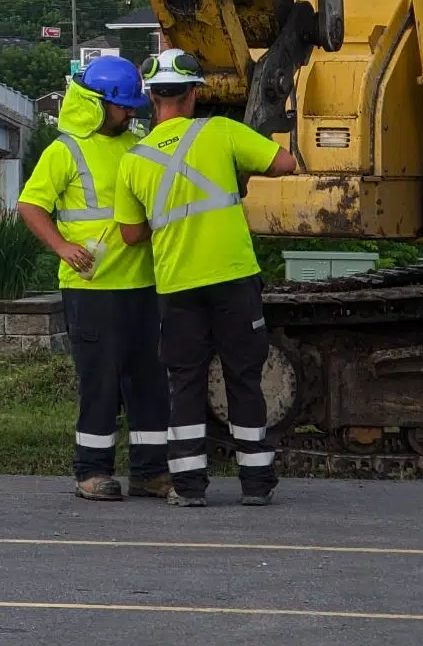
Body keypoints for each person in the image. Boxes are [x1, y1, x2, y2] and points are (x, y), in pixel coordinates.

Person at [113, 47, 298, 507]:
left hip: (177, 284)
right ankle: (256, 483)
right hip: (233, 277)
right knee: (243, 377)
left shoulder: (133, 160)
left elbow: (132, 234)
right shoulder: (220, 132)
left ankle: (190, 486)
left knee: (185, 382)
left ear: (152, 98)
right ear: (194, 94)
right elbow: (284, 164)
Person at [17, 54, 169, 502]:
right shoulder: (65, 150)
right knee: (100, 382)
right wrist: (62, 247)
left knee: (148, 383)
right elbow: (30, 205)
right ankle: (91, 472)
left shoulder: (137, 145)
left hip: (142, 285)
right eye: (124, 106)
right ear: (98, 104)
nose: (132, 113)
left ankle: (149, 472)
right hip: (91, 288)